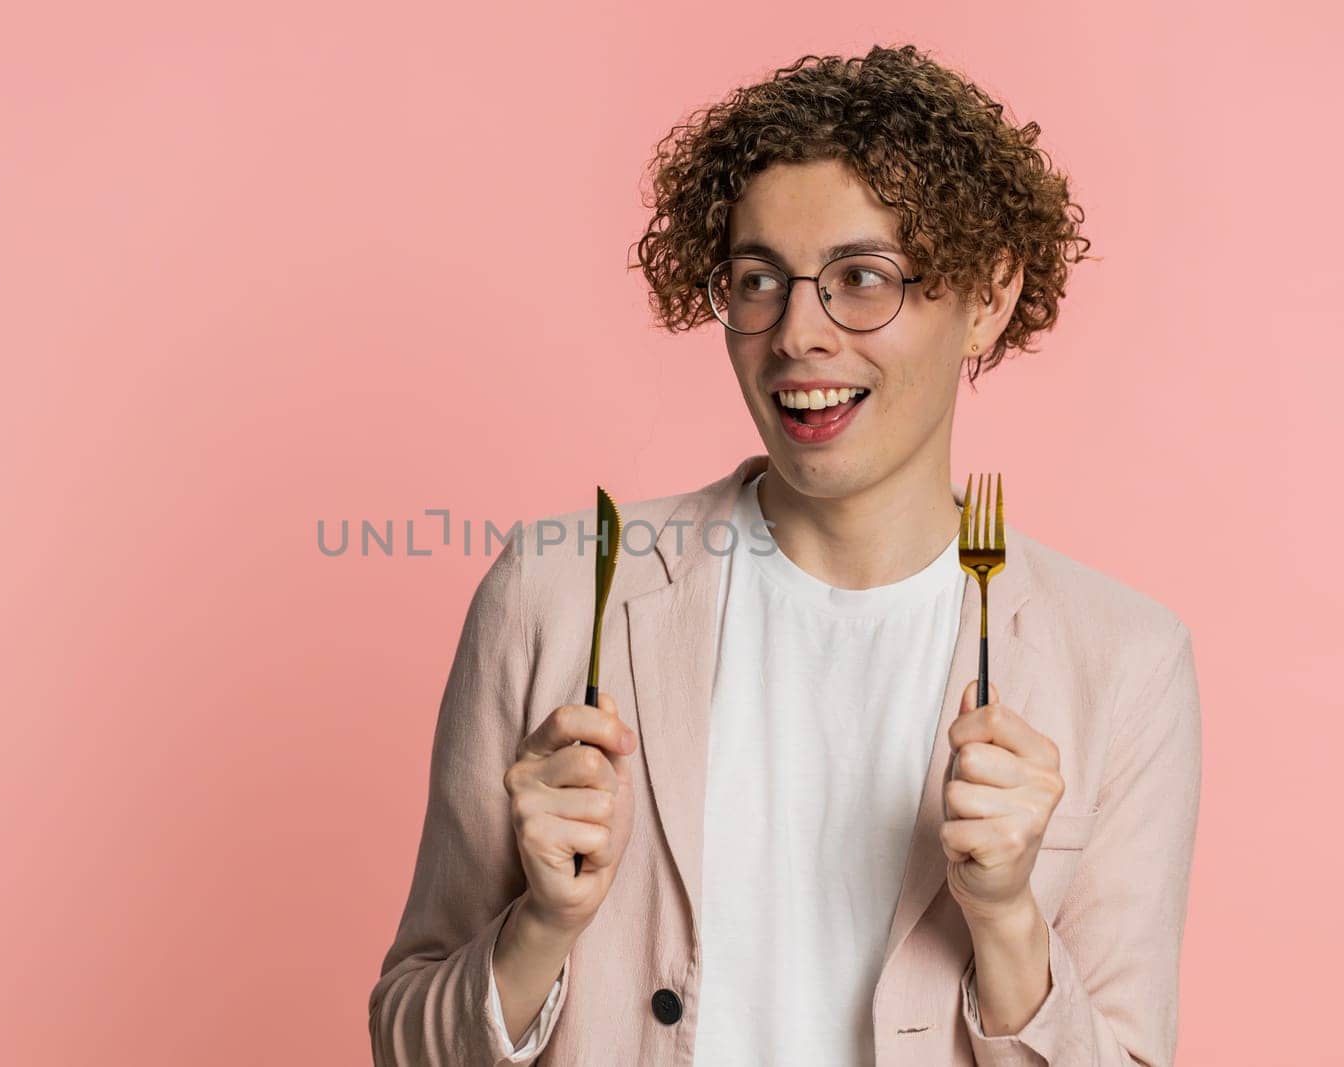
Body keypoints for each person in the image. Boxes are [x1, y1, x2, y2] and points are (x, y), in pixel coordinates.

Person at [367, 43, 1200, 1066]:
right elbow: (407, 1039)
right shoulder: (558, 590)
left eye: (862, 278)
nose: (796, 332)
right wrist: (540, 922)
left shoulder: (1123, 660)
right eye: (758, 279)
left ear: (986, 295)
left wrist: (1006, 917)